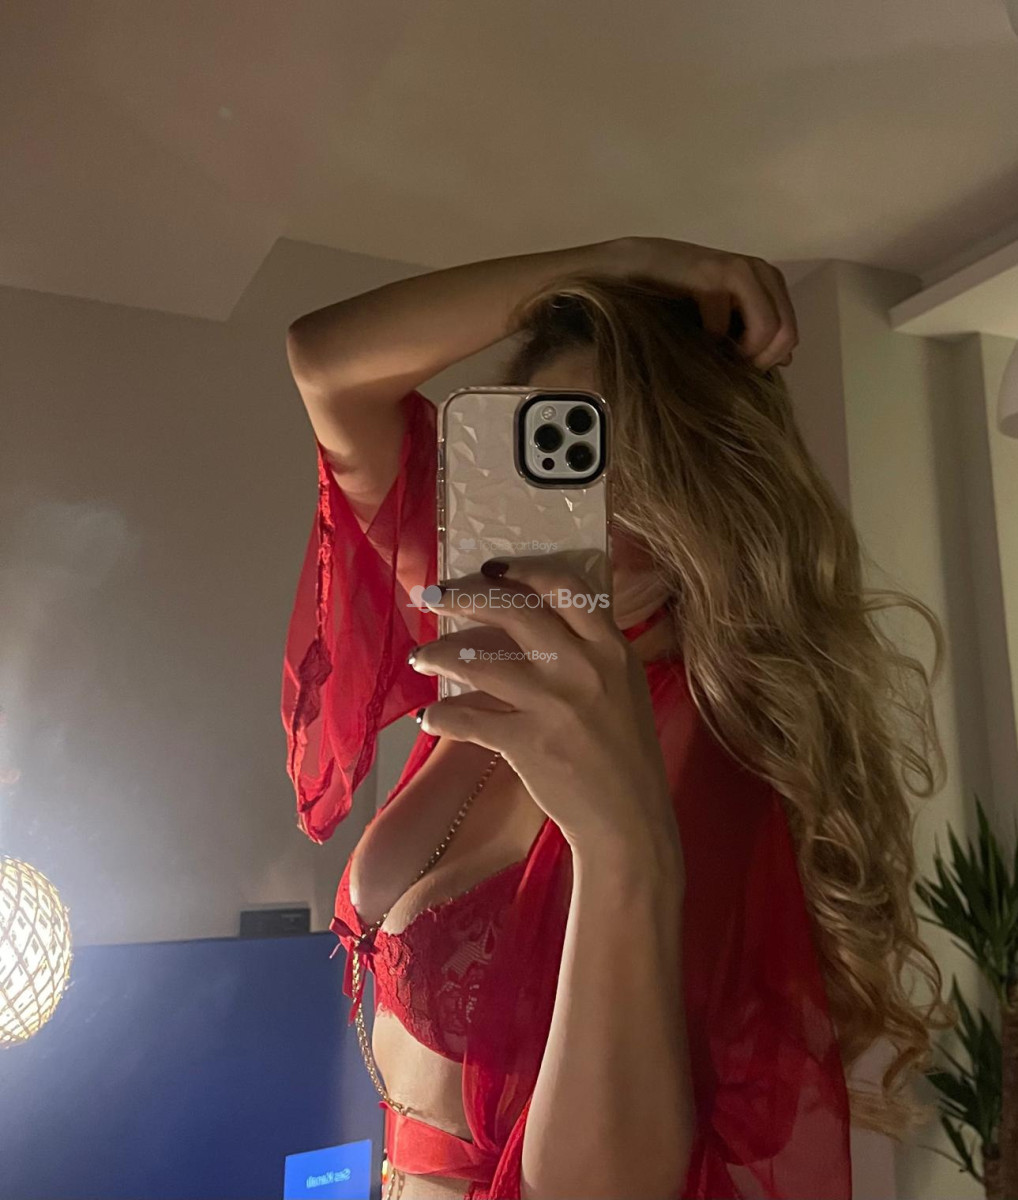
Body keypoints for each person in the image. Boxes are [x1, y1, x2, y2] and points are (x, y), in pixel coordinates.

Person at [281, 237, 951, 1200]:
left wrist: (623, 845)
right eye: (559, 453)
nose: (587, 507)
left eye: (626, 462)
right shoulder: (492, 623)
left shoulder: (719, 758)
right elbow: (326, 367)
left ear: (700, 492)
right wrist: (621, 260)